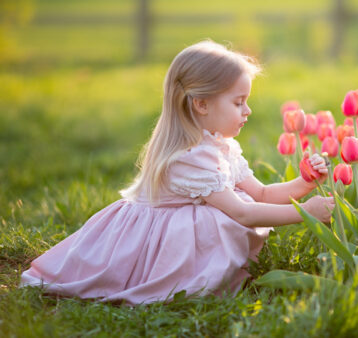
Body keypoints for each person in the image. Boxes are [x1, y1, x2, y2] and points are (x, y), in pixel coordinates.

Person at [20, 40, 335, 305]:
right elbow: (244, 213)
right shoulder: (188, 159)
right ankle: (184, 281)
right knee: (217, 223)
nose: (248, 111)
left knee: (217, 217)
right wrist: (305, 213)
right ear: (201, 104)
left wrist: (305, 182)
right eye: (239, 102)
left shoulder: (221, 146)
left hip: (187, 228)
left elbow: (263, 194)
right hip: (156, 241)